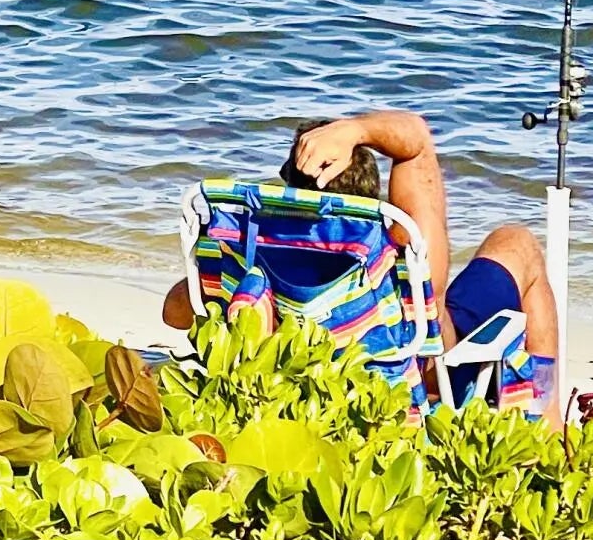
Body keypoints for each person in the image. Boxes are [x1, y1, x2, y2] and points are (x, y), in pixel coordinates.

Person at [162, 108, 560, 419]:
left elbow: (174, 313)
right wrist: (356, 130)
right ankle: (551, 424)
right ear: (370, 196)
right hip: (418, 378)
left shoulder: (254, 254)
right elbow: (416, 140)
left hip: (303, 382)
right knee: (517, 243)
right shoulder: (401, 244)